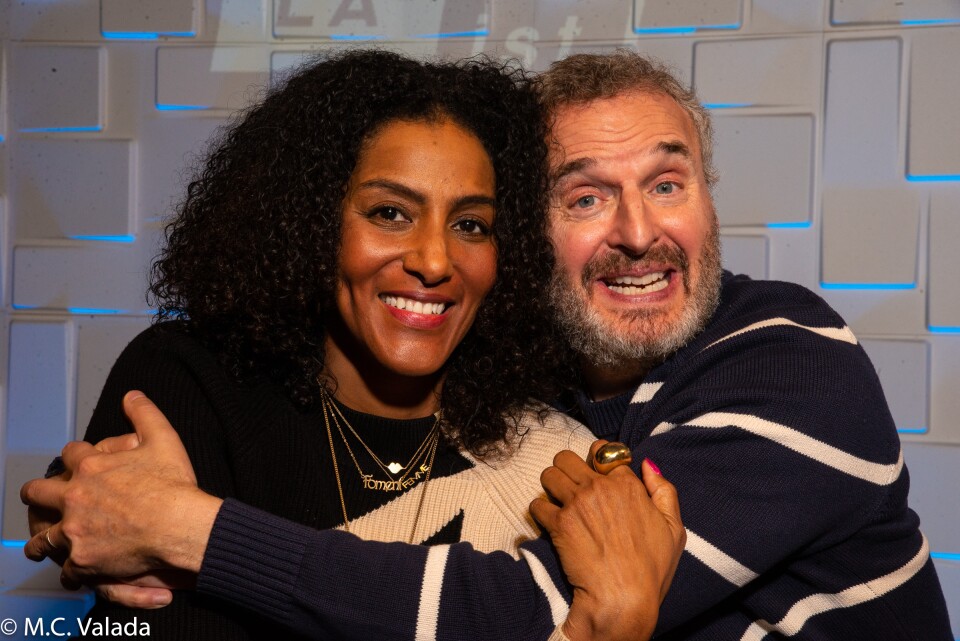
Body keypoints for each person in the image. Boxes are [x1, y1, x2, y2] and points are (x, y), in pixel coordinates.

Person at [25, 49, 953, 640]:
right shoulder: (192, 377)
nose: (639, 232)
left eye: (667, 183)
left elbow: (512, 608)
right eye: (585, 196)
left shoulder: (792, 359)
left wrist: (180, 526)